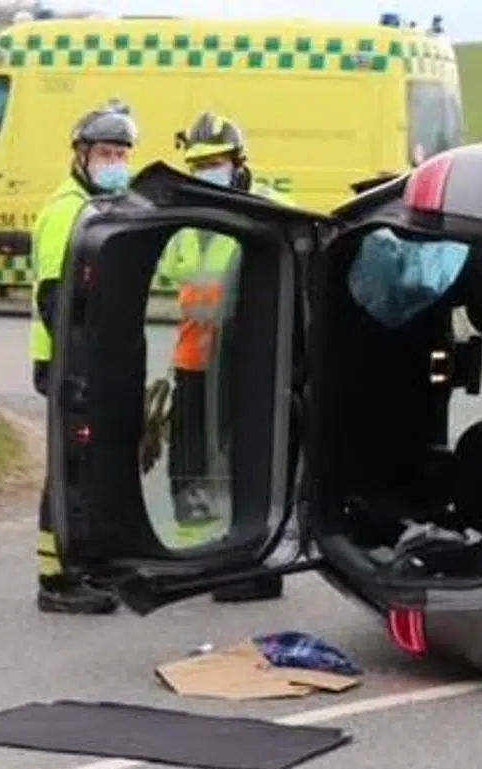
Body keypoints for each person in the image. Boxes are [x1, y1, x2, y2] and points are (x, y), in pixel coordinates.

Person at [152, 111, 294, 602]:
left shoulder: (270, 211)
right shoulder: (182, 222)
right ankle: (199, 558)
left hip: (248, 365)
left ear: (238, 162)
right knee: (189, 465)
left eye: (215, 161)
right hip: (194, 360)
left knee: (246, 463)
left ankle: (248, 560)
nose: (207, 170)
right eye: (199, 163)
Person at [30, 101, 139, 615]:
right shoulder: (67, 210)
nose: (114, 160)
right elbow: (56, 298)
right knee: (69, 469)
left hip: (90, 362)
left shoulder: (102, 207)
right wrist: (76, 368)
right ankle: (57, 579)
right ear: (81, 155)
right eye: (105, 152)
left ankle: (88, 563)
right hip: (65, 362)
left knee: (91, 467)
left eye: (120, 152)